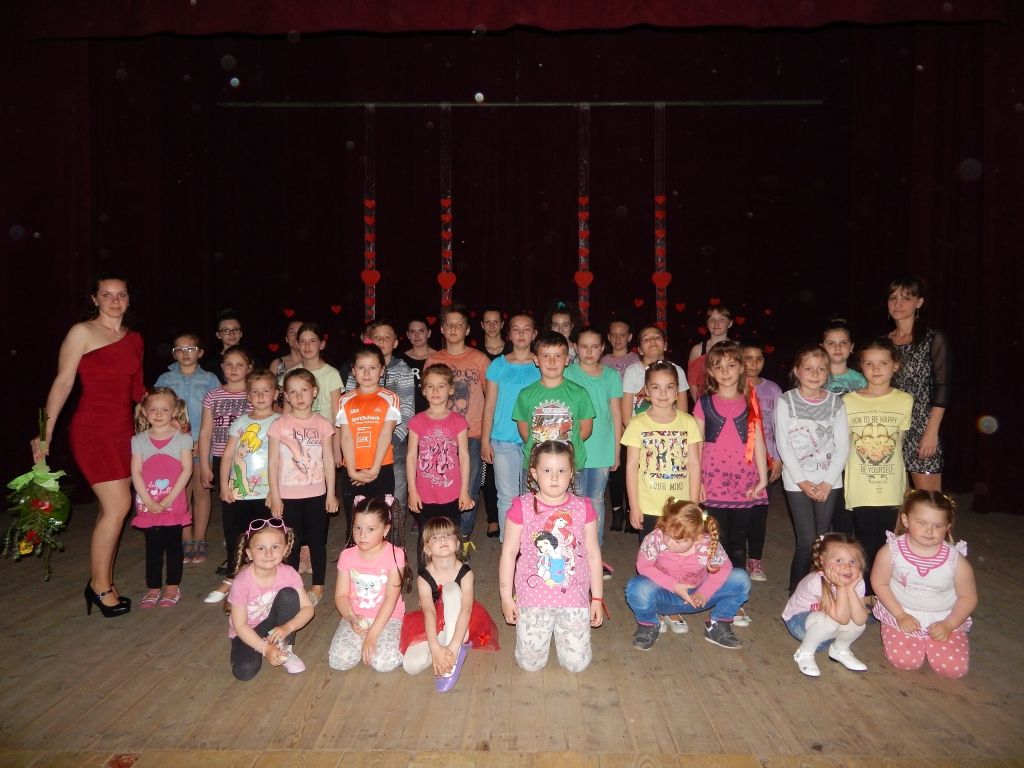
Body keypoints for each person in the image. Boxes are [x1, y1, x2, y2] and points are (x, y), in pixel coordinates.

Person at [32, 274, 145, 617]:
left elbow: (137, 390)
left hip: (124, 431)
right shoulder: (81, 332)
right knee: (118, 505)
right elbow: (62, 383)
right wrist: (44, 432)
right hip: (92, 430)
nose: (115, 300)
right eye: (107, 295)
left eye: (121, 294)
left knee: (112, 509)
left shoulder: (135, 338)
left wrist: (169, 417)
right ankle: (99, 587)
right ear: (95, 299)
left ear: (128, 299)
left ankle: (103, 581)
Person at [498, 441, 605, 673]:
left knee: (577, 665)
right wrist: (506, 598)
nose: (554, 478)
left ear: (572, 473)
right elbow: (508, 554)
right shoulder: (521, 507)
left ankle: (563, 634)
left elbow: (593, 555)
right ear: (534, 473)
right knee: (530, 665)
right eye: (547, 470)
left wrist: (597, 598)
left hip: (573, 596)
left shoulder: (583, 508)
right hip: (533, 598)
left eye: (562, 471)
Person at [871, 490, 976, 678]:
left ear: (948, 526)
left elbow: (968, 597)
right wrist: (900, 615)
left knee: (954, 670)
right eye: (921, 523)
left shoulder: (955, 560)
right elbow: (879, 583)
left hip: (944, 616)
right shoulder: (892, 551)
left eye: (937, 525)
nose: (929, 530)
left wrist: (949, 625)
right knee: (905, 661)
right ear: (905, 520)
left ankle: (934, 641)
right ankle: (913, 640)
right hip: (901, 612)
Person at [693, 343, 768, 596]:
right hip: (713, 482)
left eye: (731, 365)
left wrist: (763, 478)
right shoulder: (704, 403)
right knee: (716, 539)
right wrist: (697, 481)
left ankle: (735, 591)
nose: (725, 372)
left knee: (738, 541)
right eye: (718, 367)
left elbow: (758, 441)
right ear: (710, 372)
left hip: (744, 483)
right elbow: (696, 444)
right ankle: (714, 588)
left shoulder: (750, 401)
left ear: (741, 368)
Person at [626, 499, 751, 650]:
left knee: (741, 579)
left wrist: (704, 593)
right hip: (665, 597)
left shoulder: (706, 544)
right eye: (667, 535)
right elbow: (643, 566)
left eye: (678, 541)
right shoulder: (656, 538)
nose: (669, 543)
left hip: (698, 598)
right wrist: (675, 586)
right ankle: (649, 625)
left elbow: (724, 568)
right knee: (637, 586)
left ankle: (717, 624)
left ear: (697, 539)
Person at [775, 345, 850, 594]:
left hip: (829, 481)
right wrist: (802, 481)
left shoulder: (836, 403)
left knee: (824, 538)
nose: (815, 374)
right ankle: (796, 593)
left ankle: (823, 591)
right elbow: (784, 445)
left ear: (828, 372)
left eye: (821, 369)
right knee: (807, 540)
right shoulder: (786, 401)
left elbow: (843, 446)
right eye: (808, 368)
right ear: (797, 371)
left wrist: (828, 482)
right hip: (797, 481)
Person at [839, 338, 913, 586]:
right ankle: (865, 593)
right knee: (865, 542)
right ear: (861, 366)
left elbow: (898, 444)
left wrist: (904, 486)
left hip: (891, 488)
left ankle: (882, 593)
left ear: (895, 365)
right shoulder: (848, 401)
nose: (876, 369)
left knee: (887, 543)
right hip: (861, 487)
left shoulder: (904, 400)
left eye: (883, 363)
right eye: (869, 363)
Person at [205, 370, 280, 603]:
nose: (260, 396)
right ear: (248, 396)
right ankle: (232, 577)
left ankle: (269, 580)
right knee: (236, 536)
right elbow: (227, 455)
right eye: (255, 392)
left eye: (266, 391)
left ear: (276, 394)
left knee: (267, 537)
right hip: (238, 492)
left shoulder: (280, 422)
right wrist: (224, 485)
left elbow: (282, 459)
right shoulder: (240, 422)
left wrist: (276, 491)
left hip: (267, 492)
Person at [400, 517, 499, 690]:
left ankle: (455, 650)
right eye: (435, 537)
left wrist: (453, 646)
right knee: (411, 666)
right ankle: (443, 652)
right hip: (438, 625)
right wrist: (435, 648)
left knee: (451, 588)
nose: (442, 539)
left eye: (447, 535)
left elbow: (466, 610)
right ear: (427, 549)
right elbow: (429, 611)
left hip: (463, 623)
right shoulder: (424, 577)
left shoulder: (466, 573)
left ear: (458, 543)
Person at [268, 368, 339, 606]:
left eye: (304, 390)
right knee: (292, 542)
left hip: (316, 493)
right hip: (287, 495)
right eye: (293, 392)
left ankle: (318, 584)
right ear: (286, 396)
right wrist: (275, 496)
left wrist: (331, 494)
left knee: (317, 541)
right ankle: (291, 584)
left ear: (314, 392)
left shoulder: (323, 423)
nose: (299, 396)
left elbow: (328, 460)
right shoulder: (279, 424)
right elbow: (273, 462)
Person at [425, 304, 491, 558]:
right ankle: (442, 536)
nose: (453, 328)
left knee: (469, 487)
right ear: (442, 329)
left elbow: (490, 398)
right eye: (449, 324)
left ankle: (462, 537)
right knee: (442, 486)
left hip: (472, 434)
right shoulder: (434, 360)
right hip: (441, 437)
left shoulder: (479, 359)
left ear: (467, 329)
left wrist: (486, 436)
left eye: (459, 324)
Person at [155, 334, 220, 566]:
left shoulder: (210, 379)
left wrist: (200, 443)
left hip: (202, 444)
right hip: (173, 446)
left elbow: (216, 413)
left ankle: (199, 539)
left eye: (191, 348)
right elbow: (156, 408)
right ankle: (186, 538)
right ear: (173, 353)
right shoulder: (165, 378)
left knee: (201, 491)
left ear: (200, 353)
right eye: (180, 349)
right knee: (181, 493)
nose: (185, 353)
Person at [621, 362, 702, 542]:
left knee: (680, 551)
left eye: (669, 387)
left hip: (681, 506)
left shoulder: (688, 422)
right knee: (651, 553)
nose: (663, 393)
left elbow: (694, 465)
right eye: (656, 387)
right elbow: (631, 467)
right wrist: (634, 506)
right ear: (646, 391)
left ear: (677, 390)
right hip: (649, 505)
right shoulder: (637, 424)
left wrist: (694, 504)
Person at [329, 497, 410, 672]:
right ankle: (362, 644)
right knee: (338, 661)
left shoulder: (395, 555)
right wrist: (351, 619)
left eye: (370, 529)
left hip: (388, 617)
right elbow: (341, 595)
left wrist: (372, 634)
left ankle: (400, 641)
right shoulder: (347, 556)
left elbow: (390, 599)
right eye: (357, 527)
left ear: (385, 530)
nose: (362, 535)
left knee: (384, 663)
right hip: (357, 616)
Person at [227, 518, 315, 680]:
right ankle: (265, 646)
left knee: (289, 594)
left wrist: (288, 627)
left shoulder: (289, 573)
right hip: (248, 630)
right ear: (249, 553)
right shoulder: (241, 582)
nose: (268, 554)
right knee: (244, 672)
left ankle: (284, 648)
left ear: (285, 549)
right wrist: (265, 648)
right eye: (261, 548)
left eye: (275, 547)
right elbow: (240, 625)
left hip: (274, 624)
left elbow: (308, 608)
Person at [130, 388, 193, 609]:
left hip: (173, 502)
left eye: (165, 410)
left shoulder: (183, 438)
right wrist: (148, 501)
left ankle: (173, 588)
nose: (158, 414)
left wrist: (168, 500)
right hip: (148, 503)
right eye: (153, 409)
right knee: (153, 548)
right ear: (144, 411)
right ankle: (153, 588)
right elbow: (136, 472)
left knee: (174, 546)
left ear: (174, 411)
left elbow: (187, 469)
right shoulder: (138, 439)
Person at [347, 320, 416, 524]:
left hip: (394, 444)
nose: (381, 341)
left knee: (395, 495)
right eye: (376, 337)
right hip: (362, 446)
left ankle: (394, 539)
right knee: (361, 498)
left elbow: (407, 410)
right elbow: (348, 409)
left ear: (395, 342)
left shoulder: (403, 370)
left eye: (387, 337)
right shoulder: (357, 370)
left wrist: (390, 443)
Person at [887, 277, 951, 492]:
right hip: (890, 427)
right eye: (893, 298)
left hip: (922, 427)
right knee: (898, 503)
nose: (898, 304)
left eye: (906, 298)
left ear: (919, 302)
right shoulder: (882, 343)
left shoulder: (933, 338)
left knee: (928, 502)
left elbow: (942, 388)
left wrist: (931, 432)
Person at [481, 312, 540, 543]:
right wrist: (485, 441)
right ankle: (510, 547)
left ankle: (531, 547)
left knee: (533, 495)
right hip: (503, 440)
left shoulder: (542, 363)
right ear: (509, 334)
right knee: (507, 496)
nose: (521, 333)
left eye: (527, 329)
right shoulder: (498, 365)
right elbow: (489, 405)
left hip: (536, 441)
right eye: (516, 329)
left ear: (534, 334)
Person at [406, 364, 473, 566]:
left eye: (441, 386)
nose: (435, 391)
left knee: (451, 537)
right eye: (430, 386)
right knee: (426, 539)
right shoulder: (417, 421)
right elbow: (411, 456)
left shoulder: (458, 421)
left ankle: (452, 577)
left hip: (452, 494)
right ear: (423, 391)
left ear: (451, 390)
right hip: (425, 495)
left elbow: (464, 456)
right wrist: (412, 491)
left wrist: (464, 491)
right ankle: (427, 579)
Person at [564, 326, 623, 557]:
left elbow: (616, 414)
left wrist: (616, 450)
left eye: (595, 346)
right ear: (575, 348)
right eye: (584, 346)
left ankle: (594, 551)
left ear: (602, 348)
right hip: (574, 447)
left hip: (602, 448)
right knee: (575, 499)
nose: (589, 351)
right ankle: (575, 549)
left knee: (596, 499)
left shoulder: (611, 375)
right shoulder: (568, 373)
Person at [336, 346, 401, 541]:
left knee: (380, 522)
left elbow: (385, 435)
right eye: (361, 368)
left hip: (381, 469)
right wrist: (351, 470)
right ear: (353, 370)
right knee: (355, 523)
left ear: (382, 370)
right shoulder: (345, 400)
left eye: (372, 368)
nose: (366, 373)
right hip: (352, 471)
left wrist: (374, 470)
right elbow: (346, 437)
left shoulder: (390, 398)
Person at [783, 533, 869, 677]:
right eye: (839, 560)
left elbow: (860, 620)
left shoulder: (857, 581)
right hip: (799, 623)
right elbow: (840, 618)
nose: (847, 567)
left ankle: (839, 650)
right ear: (822, 560)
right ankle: (805, 652)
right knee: (830, 621)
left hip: (829, 624)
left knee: (857, 623)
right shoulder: (816, 581)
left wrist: (851, 589)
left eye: (853, 562)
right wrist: (841, 587)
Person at [198, 346, 254, 564]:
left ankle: (256, 557)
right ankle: (235, 560)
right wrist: (205, 465)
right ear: (222, 367)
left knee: (252, 509)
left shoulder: (254, 394)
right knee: (230, 512)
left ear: (249, 368)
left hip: (251, 460)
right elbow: (205, 432)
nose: (234, 369)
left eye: (240, 364)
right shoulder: (213, 396)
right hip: (223, 460)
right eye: (229, 364)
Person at [512, 330, 596, 474]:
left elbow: (585, 430)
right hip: (536, 466)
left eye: (558, 356)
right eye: (545, 356)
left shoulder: (579, 393)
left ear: (567, 359)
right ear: (536, 359)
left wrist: (560, 445)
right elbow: (525, 430)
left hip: (570, 465)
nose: (552, 362)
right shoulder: (525, 394)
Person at [740, 339, 783, 583]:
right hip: (738, 462)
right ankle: (733, 557)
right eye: (748, 358)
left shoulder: (773, 389)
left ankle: (755, 558)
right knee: (737, 512)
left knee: (759, 512)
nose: (754, 363)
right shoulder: (732, 386)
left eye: (759, 358)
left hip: (765, 461)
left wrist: (778, 458)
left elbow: (780, 427)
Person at [601, 320, 640, 533]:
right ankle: (617, 510)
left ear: (630, 337)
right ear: (608, 337)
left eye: (622, 334)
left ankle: (631, 509)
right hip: (610, 423)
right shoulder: (603, 361)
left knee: (631, 468)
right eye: (614, 335)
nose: (618, 339)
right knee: (614, 471)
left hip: (632, 423)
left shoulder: (636, 361)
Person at [291, 323, 344, 467]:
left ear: (322, 344)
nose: (307, 345)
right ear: (297, 344)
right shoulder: (291, 374)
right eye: (302, 341)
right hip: (297, 442)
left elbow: (336, 415)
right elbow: (286, 414)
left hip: (323, 442)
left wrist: (336, 448)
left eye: (312, 341)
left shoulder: (332, 374)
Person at [621, 325, 689, 432]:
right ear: (640, 350)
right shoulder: (632, 372)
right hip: (640, 433)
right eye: (646, 339)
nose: (652, 340)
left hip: (670, 432)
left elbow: (682, 413)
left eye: (657, 337)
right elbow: (626, 416)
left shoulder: (677, 371)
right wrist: (639, 436)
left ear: (665, 346)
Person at [687, 305, 734, 402]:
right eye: (712, 320)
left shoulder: (737, 348)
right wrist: (700, 406)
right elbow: (692, 384)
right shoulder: (698, 350)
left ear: (730, 323)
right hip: (707, 401)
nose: (716, 323)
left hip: (732, 400)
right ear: (707, 324)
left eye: (721, 319)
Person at [402, 315, 438, 414]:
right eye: (412, 332)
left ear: (429, 333)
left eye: (421, 331)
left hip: (434, 414)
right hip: (406, 415)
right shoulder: (400, 360)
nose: (417, 335)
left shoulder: (439, 358)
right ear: (408, 335)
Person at [822, 319, 867, 395]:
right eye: (831, 343)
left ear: (851, 347)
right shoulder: (815, 378)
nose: (838, 347)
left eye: (843, 343)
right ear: (822, 348)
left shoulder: (862, 380)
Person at [268, 319, 304, 388]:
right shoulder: (276, 365)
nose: (296, 336)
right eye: (292, 332)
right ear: (287, 338)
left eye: (300, 331)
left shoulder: (314, 363)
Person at [545, 299, 582, 364]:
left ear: (572, 326)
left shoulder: (579, 350)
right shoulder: (544, 349)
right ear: (550, 326)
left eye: (565, 325)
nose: (560, 330)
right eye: (556, 325)